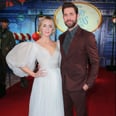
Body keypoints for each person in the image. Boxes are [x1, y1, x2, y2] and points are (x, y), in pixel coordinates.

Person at [6, 16, 64, 116]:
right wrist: (33, 74)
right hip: (43, 80)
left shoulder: (58, 44)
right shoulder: (34, 45)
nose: (47, 29)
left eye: (50, 26)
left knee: (55, 106)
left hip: (57, 79)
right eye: (44, 26)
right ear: (40, 28)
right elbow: (17, 61)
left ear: (53, 29)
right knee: (42, 106)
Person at [59, 2, 99, 116]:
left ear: (77, 16)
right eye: (65, 15)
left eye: (71, 14)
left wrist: (88, 83)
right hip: (63, 84)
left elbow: (95, 62)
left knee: (81, 113)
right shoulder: (61, 37)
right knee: (66, 113)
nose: (68, 18)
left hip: (79, 85)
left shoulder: (87, 36)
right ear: (63, 17)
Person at [0, 18, 16, 98]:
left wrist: (7, 47)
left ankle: (2, 90)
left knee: (2, 72)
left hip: (3, 55)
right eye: (3, 22)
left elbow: (13, 43)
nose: (5, 24)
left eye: (6, 23)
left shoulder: (9, 33)